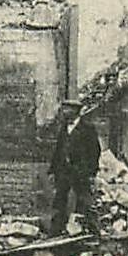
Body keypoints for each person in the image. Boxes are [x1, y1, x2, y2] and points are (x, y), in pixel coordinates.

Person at [48, 98, 101, 236]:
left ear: (76, 111)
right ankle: (55, 231)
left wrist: (91, 171)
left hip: (80, 172)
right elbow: (58, 151)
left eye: (68, 109)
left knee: (84, 201)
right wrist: (52, 170)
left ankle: (89, 231)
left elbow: (95, 151)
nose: (64, 112)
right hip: (63, 171)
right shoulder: (64, 128)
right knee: (59, 201)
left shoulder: (88, 129)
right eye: (64, 108)